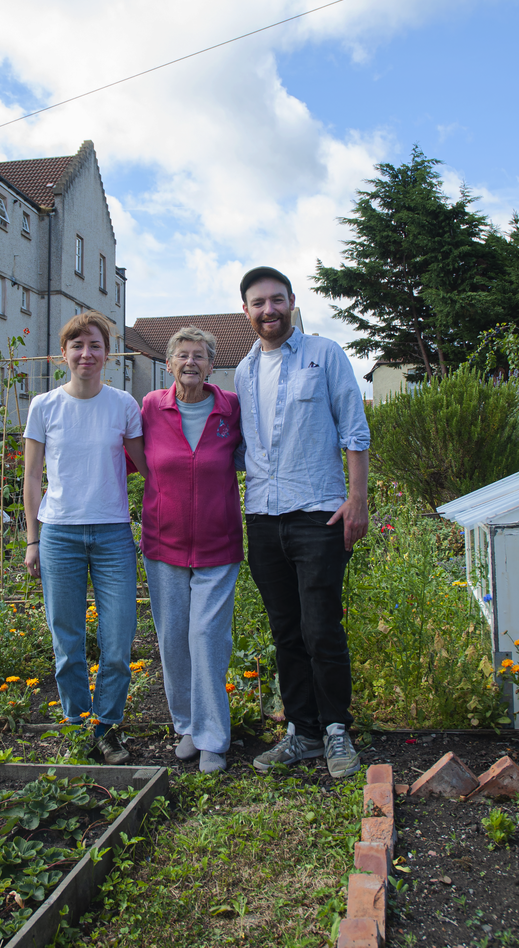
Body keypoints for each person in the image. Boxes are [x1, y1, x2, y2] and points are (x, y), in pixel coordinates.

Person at [234, 267, 370, 778]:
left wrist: (356, 499)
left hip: (319, 513)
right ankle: (302, 731)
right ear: (244, 311)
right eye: (257, 303)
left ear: (292, 301)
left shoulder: (325, 355)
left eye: (276, 300)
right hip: (264, 519)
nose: (268, 310)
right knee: (285, 630)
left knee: (322, 628)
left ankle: (336, 729)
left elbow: (354, 428)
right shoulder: (244, 372)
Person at [23, 311, 148, 765]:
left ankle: (107, 728)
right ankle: (79, 726)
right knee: (67, 640)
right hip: (59, 536)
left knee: (117, 642)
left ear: (107, 354)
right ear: (64, 354)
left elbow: (150, 470)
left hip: (113, 535)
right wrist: (33, 540)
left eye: (94, 345)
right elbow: (32, 479)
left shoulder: (123, 406)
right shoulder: (45, 406)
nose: (86, 354)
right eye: (77, 346)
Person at [139, 327, 243, 773]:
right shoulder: (150, 408)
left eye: (199, 356)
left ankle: (214, 738)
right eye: (182, 355)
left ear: (212, 365)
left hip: (219, 543)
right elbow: (125, 456)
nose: (190, 363)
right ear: (169, 365)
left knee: (207, 638)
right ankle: (186, 726)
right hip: (164, 543)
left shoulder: (231, 408)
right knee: (174, 639)